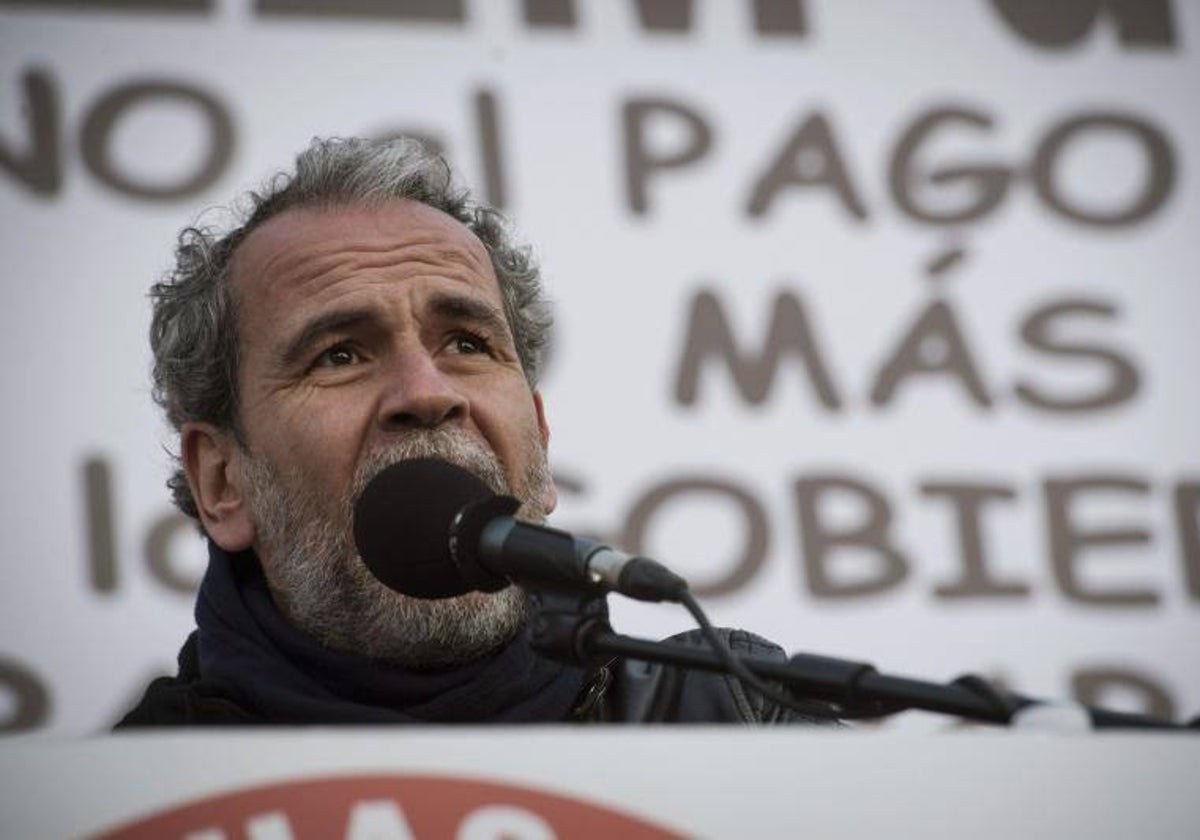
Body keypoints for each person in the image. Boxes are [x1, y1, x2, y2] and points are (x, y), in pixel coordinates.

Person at [117, 137, 833, 727]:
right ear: (221, 481)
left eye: (466, 343)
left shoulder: (733, 723)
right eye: (339, 355)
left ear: (542, 444)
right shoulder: (120, 799)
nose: (427, 394)